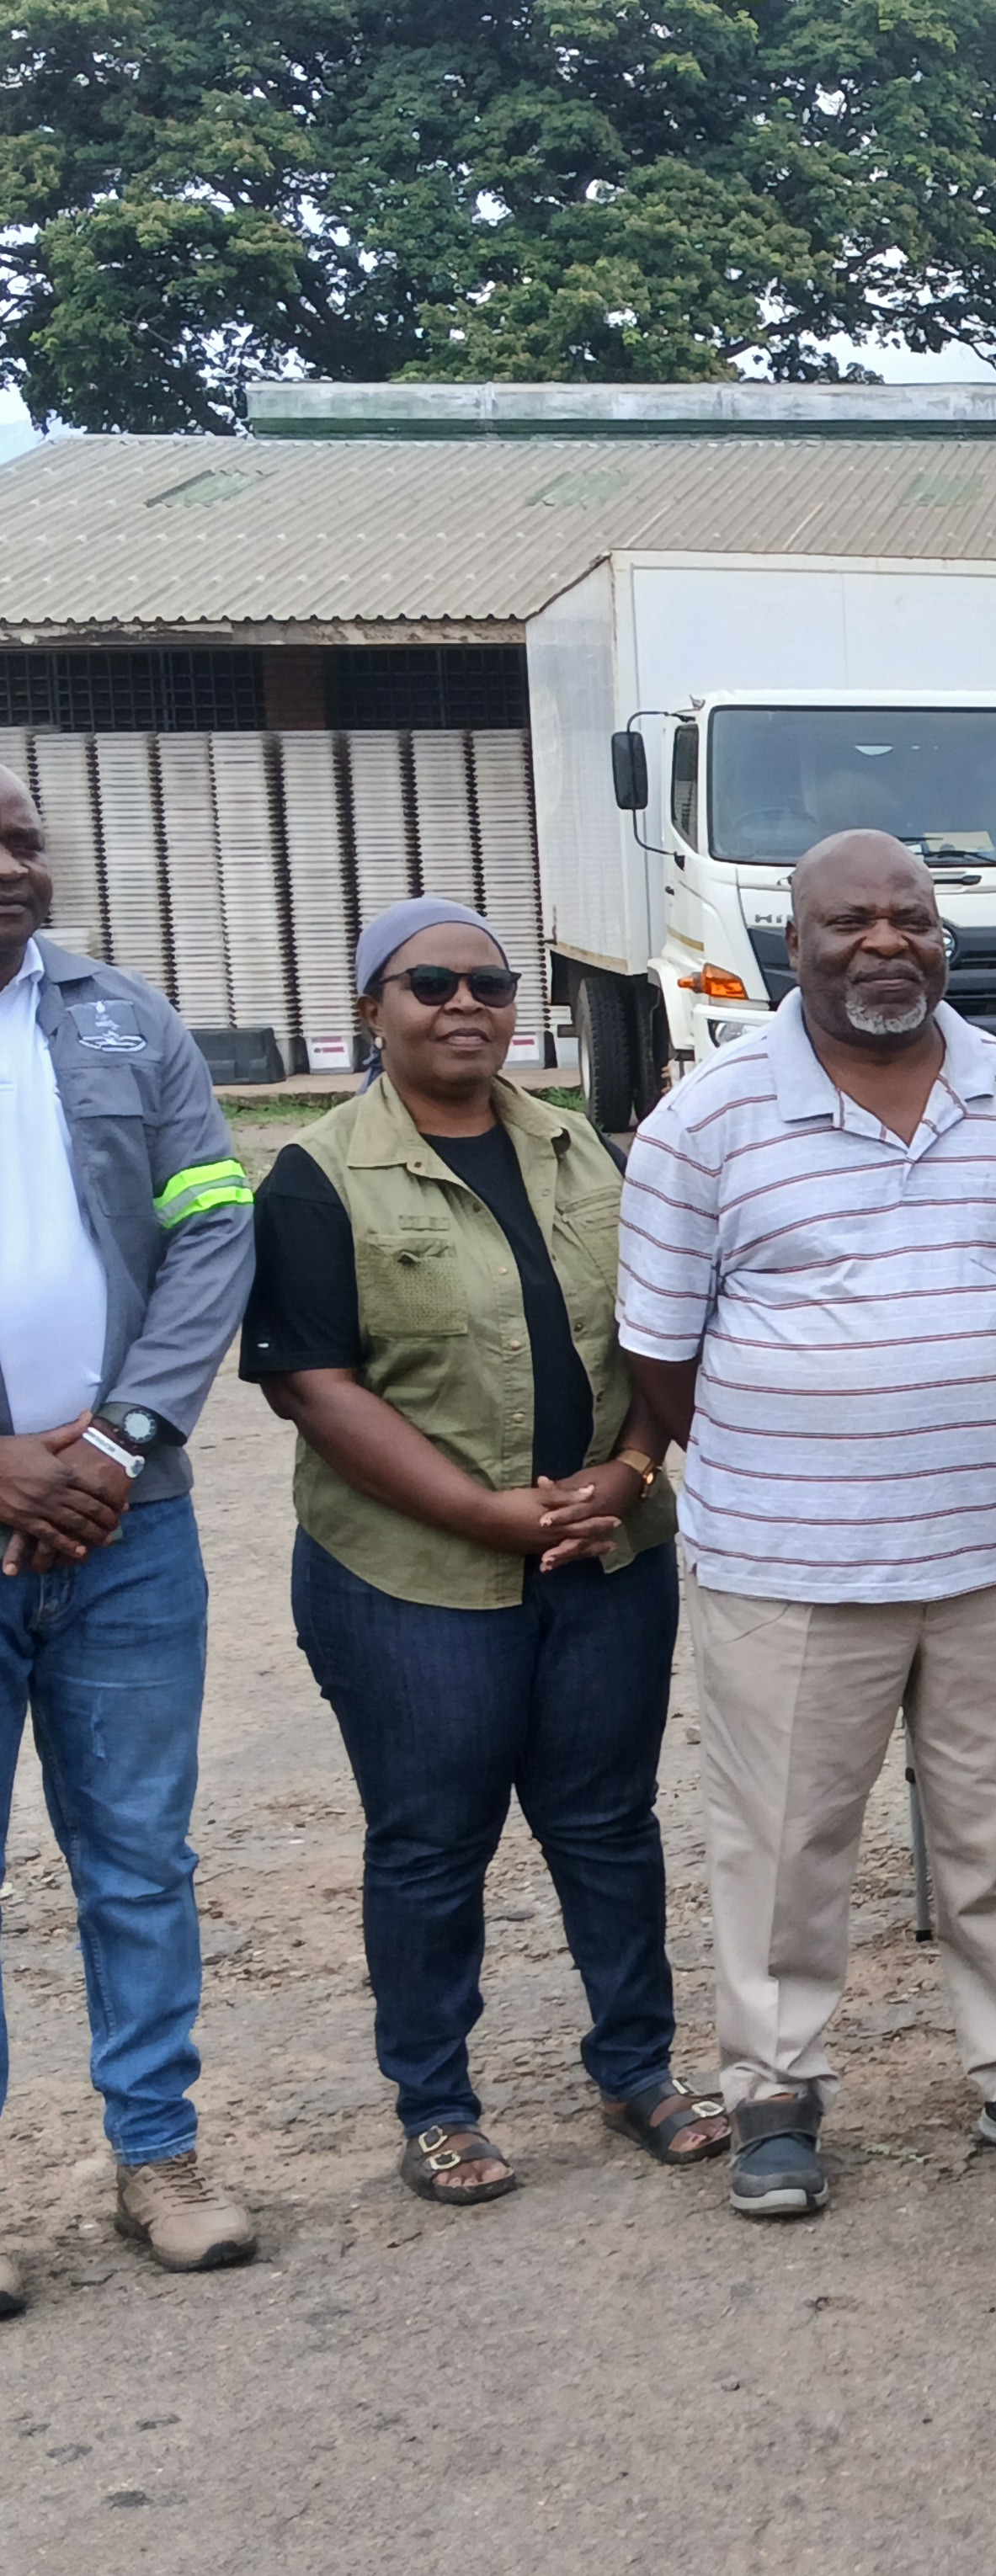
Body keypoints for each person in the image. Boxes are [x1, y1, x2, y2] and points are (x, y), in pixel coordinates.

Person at [620, 828, 996, 2217]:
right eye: (849, 921)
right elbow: (661, 1360)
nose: (884, 944)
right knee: (786, 1839)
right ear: (791, 943)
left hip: (990, 1547)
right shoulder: (706, 1123)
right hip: (787, 1565)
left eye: (911, 919)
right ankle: (775, 2089)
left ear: (943, 940)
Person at [242, 897, 723, 2206]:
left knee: (608, 1824)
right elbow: (314, 1384)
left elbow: (655, 1327)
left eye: (491, 984)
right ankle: (438, 2104)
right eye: (428, 984)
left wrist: (626, 1472)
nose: (464, 1005)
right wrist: (489, 1513)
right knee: (430, 1841)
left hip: (604, 1558)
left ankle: (637, 2067)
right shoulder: (318, 1173)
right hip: (412, 1582)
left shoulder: (581, 1151)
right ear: (371, 1013)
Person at [0, 762, 258, 2313]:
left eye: (24, 837)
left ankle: (156, 2156)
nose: (12, 865)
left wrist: (116, 1441)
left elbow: (213, 1221)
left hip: (130, 1526)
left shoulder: (124, 1022)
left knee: (140, 1860)